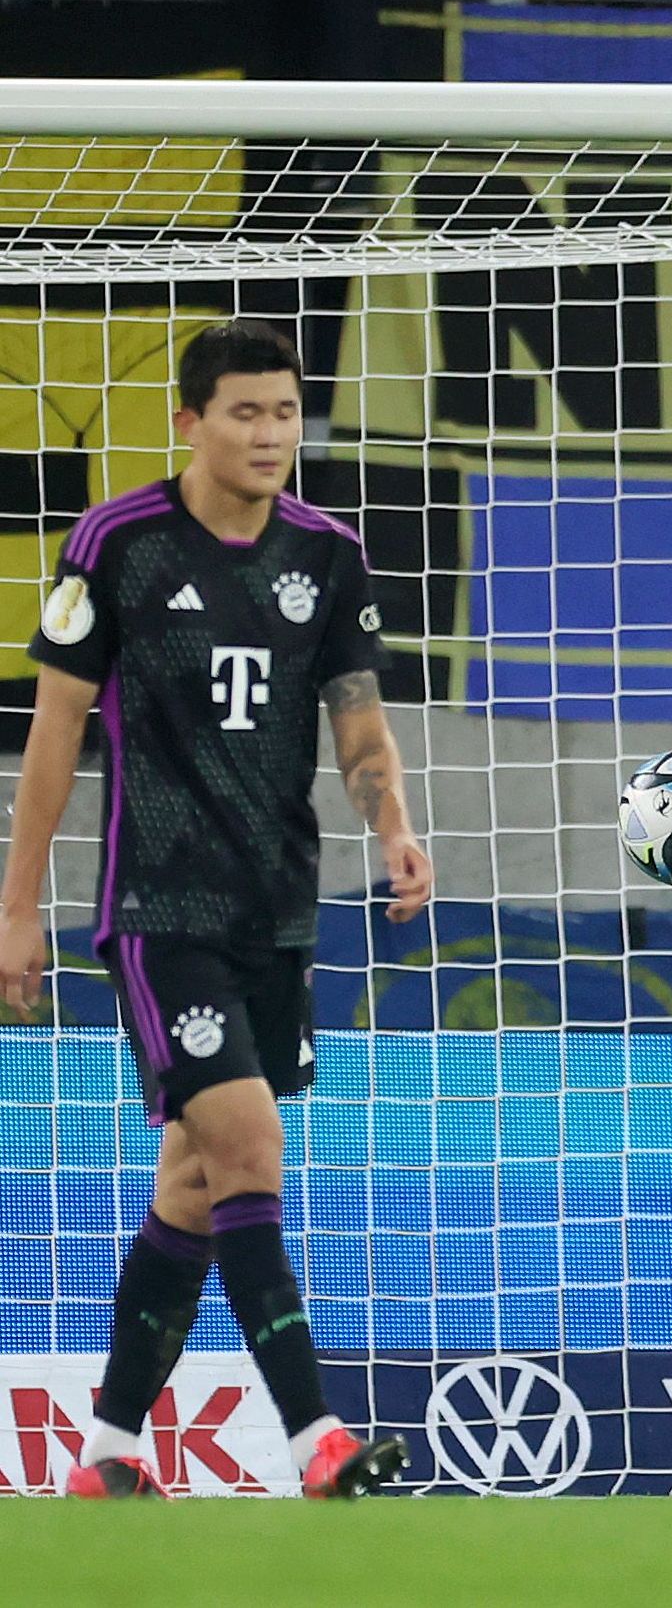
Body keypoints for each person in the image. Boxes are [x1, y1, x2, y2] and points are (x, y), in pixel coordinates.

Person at [0, 319, 433, 1499]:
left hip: (276, 912)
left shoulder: (329, 553)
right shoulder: (119, 542)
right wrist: (17, 904)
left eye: (285, 412)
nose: (269, 434)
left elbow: (357, 722)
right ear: (189, 422)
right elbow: (54, 733)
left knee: (195, 1181)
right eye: (244, 412)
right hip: (159, 908)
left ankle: (106, 1451)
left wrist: (389, 823)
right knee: (251, 1147)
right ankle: (317, 1441)